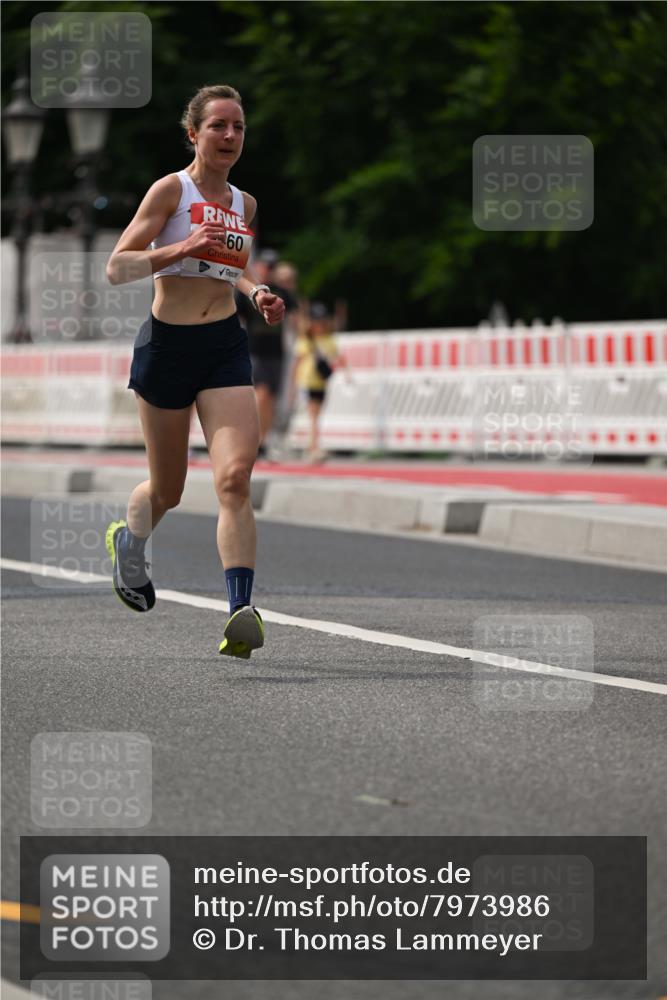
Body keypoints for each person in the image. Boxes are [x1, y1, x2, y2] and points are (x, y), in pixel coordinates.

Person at [104, 84, 286, 659]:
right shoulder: (170, 190)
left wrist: (257, 291)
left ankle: (241, 612)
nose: (230, 136)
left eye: (238, 127)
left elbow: (229, 268)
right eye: (218, 127)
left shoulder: (245, 203)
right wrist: (178, 247)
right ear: (194, 134)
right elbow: (117, 267)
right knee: (170, 489)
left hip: (224, 348)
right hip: (166, 349)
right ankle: (130, 542)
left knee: (233, 478)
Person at [235, 250, 296, 454]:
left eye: (272, 266)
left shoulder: (281, 290)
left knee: (271, 397)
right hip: (255, 349)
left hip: (276, 351)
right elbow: (237, 317)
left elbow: (296, 313)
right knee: (261, 394)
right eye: (266, 265)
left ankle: (263, 441)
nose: (268, 270)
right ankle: (253, 438)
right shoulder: (248, 291)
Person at [293, 303, 344, 463]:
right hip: (308, 380)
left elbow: (337, 357)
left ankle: (312, 446)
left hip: (321, 381)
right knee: (314, 414)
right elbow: (299, 360)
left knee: (316, 414)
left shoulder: (327, 340)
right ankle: (313, 447)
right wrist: (295, 380)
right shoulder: (306, 340)